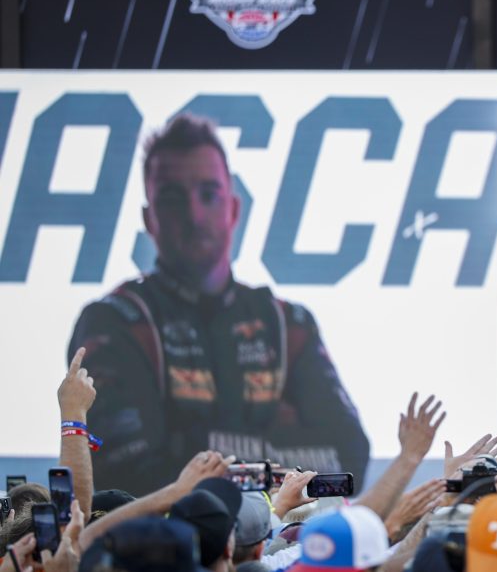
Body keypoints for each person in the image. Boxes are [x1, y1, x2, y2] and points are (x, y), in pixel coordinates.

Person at [67, 113, 369, 496]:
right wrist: (277, 440)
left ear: (233, 209)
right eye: (172, 198)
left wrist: (193, 441)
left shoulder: (288, 324)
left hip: (284, 534)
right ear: (149, 218)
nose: (194, 215)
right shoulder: (113, 322)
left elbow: (349, 461)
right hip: (165, 535)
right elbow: (128, 473)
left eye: (208, 194)